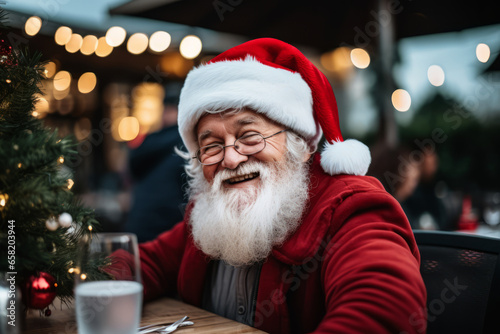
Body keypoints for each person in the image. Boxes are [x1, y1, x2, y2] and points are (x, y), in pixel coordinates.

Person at [129, 38, 426, 333]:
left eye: (249, 136)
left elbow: (384, 310)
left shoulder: (352, 207)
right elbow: (141, 264)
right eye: (212, 145)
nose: (230, 158)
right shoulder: (210, 212)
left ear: (301, 145)